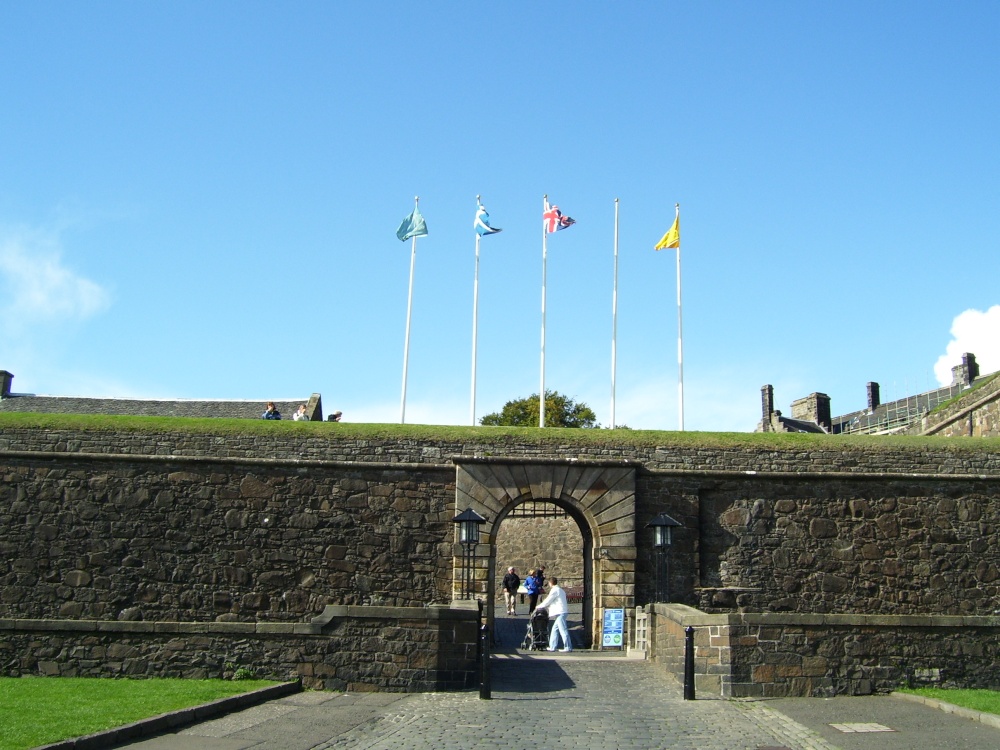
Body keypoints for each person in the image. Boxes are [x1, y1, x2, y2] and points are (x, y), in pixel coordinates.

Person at [537, 576, 572, 652]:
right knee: (554, 629)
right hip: (561, 612)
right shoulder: (560, 590)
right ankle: (552, 646)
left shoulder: (555, 590)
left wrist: (539, 607)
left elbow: (548, 600)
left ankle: (568, 647)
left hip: (560, 612)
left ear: (550, 583)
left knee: (563, 630)